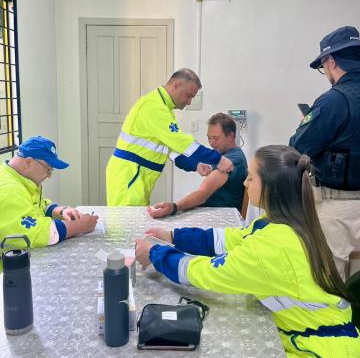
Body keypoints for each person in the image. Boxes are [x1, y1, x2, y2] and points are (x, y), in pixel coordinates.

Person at [135, 145, 360, 358]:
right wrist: (173, 236)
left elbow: (203, 273)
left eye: (250, 177)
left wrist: (155, 254)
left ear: (269, 185)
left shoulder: (271, 247)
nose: (245, 182)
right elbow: (224, 240)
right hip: (324, 346)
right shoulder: (280, 225)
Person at [289, 26, 360, 279]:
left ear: (331, 61)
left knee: (328, 282)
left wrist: (312, 122)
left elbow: (298, 146)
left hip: (336, 211)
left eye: (323, 66)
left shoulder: (334, 100)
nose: (325, 72)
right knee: (358, 279)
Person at [106, 69, 233, 207]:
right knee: (125, 224)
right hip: (129, 175)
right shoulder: (153, 107)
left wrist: (195, 165)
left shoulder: (165, 110)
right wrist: (218, 159)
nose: (189, 102)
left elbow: (173, 152)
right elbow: (182, 142)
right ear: (176, 85)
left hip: (136, 176)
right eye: (189, 96)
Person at [0, 136, 98, 249]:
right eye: (48, 169)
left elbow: (37, 206)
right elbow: (30, 234)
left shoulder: (19, 179)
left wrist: (61, 211)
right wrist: (78, 226)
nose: (49, 175)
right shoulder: (8, 190)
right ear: (28, 163)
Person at [148, 113, 247, 217]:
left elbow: (202, 194)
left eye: (216, 138)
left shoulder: (230, 161)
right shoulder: (230, 155)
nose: (212, 143)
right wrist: (196, 165)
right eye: (209, 138)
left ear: (231, 135)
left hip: (220, 217)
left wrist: (174, 207)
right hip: (213, 211)